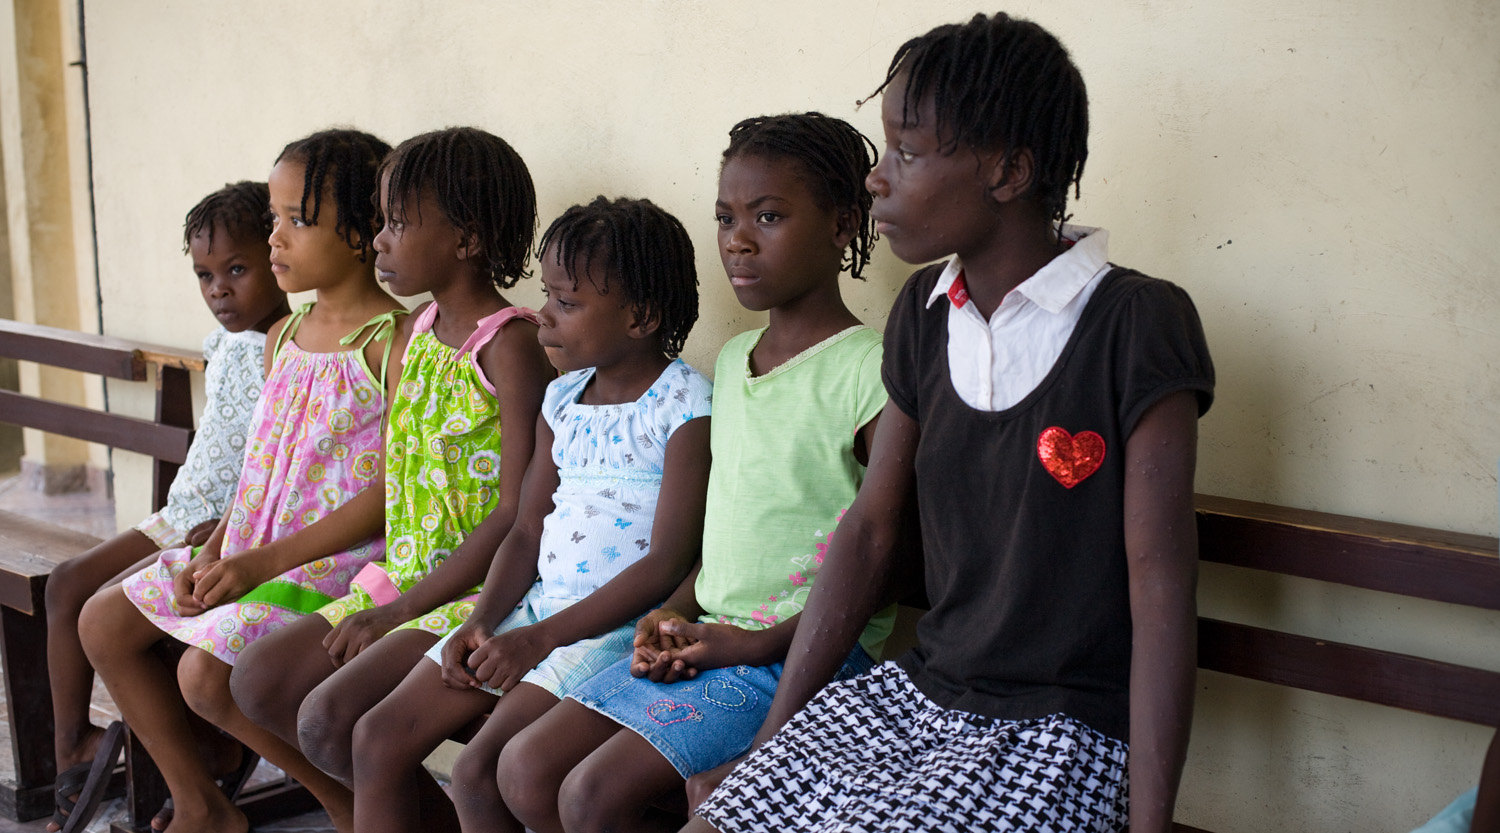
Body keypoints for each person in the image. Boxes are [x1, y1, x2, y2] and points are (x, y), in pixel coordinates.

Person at [691, 13, 1215, 833]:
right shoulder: (925, 315)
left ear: (1008, 170)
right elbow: (868, 533)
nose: (877, 178)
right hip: (922, 694)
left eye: (906, 149)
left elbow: (1160, 587)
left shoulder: (1134, 323)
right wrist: (771, 743)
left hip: (1059, 728)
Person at [499, 112, 892, 833]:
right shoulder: (736, 366)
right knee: (524, 768)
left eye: (768, 216)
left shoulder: (871, 370)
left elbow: (885, 562)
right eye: (725, 217)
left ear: (842, 226)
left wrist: (755, 641)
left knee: (589, 795)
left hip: (805, 655)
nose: (738, 239)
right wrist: (673, 611)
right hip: (712, 636)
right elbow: (727, 534)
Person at [349, 196, 712, 833]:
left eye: (566, 303)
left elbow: (666, 564)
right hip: (532, 611)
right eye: (548, 294)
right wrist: (484, 621)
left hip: (608, 629)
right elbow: (524, 528)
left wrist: (541, 639)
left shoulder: (684, 408)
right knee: (379, 734)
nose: (543, 316)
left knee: (479, 773)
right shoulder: (564, 398)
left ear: (642, 316)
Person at [78, 127, 405, 833]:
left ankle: (347, 807)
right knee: (101, 619)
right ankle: (202, 803)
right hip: (247, 550)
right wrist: (214, 548)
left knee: (203, 674)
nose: (276, 239)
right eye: (274, 221)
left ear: (359, 232)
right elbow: (261, 465)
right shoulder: (283, 336)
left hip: (329, 568)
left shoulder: (393, 341)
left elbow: (395, 491)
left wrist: (258, 559)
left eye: (295, 220)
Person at [230, 126, 553, 794]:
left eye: (398, 223)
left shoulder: (510, 348)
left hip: (472, 591)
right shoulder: (417, 331)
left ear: (464, 240)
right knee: (258, 679)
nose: (379, 239)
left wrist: (401, 608)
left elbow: (517, 511)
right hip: (402, 574)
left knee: (333, 718)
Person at [44, 180, 290, 833]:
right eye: (204, 274)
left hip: (229, 524)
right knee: (69, 583)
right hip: (185, 509)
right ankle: (72, 748)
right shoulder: (223, 344)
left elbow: (278, 462)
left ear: (278, 256)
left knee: (121, 612)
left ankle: (202, 757)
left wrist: (229, 526)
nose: (218, 289)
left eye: (236, 269)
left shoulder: (294, 346)